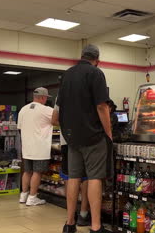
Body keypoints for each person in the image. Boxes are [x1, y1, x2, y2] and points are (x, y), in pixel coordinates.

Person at [57, 44, 112, 233]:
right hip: (93, 137)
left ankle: (69, 224)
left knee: (73, 177)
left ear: (81, 56)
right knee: (95, 178)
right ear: (97, 60)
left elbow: (60, 108)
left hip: (72, 138)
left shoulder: (67, 74)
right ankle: (96, 227)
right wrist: (109, 134)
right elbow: (102, 107)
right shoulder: (96, 73)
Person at [52, 98, 91, 227]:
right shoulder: (86, 89)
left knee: (70, 177)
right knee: (85, 178)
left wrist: (67, 128)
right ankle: (83, 214)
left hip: (65, 141)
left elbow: (54, 120)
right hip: (83, 141)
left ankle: (71, 215)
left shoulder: (60, 95)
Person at [17, 87, 54, 206]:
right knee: (37, 172)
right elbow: (59, 121)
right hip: (40, 147)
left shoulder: (23, 109)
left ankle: (23, 196)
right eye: (46, 98)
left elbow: (19, 128)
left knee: (27, 171)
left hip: (27, 147)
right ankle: (32, 198)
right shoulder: (46, 109)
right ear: (43, 97)